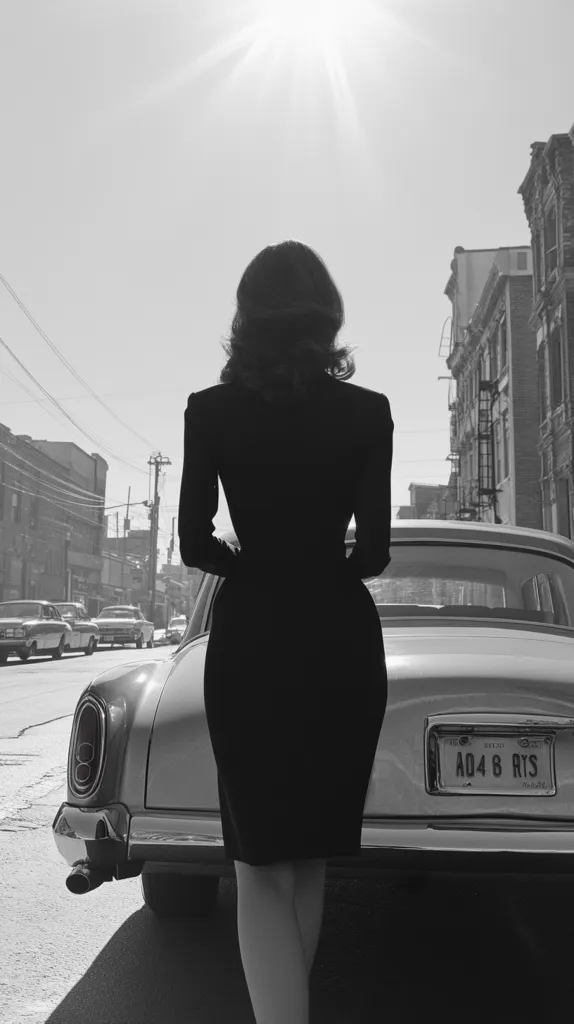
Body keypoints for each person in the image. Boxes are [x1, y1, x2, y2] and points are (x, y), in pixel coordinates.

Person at [178, 239, 393, 1024]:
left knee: (260, 858)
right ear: (326, 315)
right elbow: (372, 553)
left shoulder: (211, 410)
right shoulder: (369, 413)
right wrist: (315, 560)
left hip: (253, 642)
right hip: (339, 638)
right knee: (307, 853)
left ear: (246, 318)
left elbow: (196, 545)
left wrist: (260, 563)